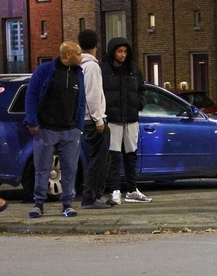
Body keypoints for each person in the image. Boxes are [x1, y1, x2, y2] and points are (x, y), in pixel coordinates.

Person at [23, 41, 86, 218]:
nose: (81, 57)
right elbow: (32, 95)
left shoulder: (78, 73)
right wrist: (33, 121)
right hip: (46, 129)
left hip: (70, 130)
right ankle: (38, 204)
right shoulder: (45, 71)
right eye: (78, 54)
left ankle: (67, 204)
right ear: (67, 56)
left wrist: (78, 126)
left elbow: (81, 99)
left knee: (70, 168)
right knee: (42, 168)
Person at [102, 37, 151, 204]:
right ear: (112, 52)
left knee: (131, 155)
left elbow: (142, 90)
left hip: (130, 119)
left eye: (125, 51)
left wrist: (139, 104)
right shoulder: (104, 70)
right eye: (119, 51)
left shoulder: (134, 70)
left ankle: (132, 189)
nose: (123, 55)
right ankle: (115, 190)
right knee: (114, 156)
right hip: (113, 119)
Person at [78, 29, 113, 209]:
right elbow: (92, 95)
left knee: (98, 159)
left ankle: (97, 194)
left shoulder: (80, 65)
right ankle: (91, 197)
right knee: (98, 161)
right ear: (96, 45)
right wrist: (99, 120)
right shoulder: (91, 67)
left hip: (84, 120)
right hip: (93, 121)